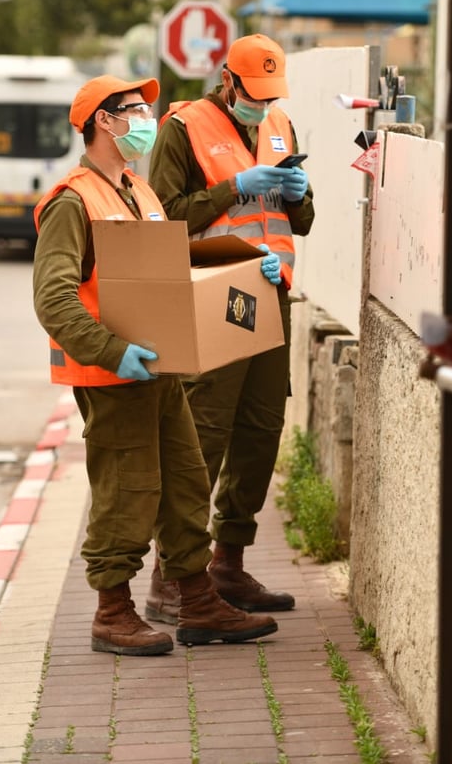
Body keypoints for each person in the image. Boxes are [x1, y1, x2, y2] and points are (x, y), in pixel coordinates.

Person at [32, 73, 281, 655]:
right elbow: (53, 297)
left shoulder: (136, 191)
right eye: (135, 111)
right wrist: (114, 350)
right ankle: (111, 612)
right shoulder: (72, 200)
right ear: (102, 120)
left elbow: (169, 259)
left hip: (159, 365)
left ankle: (194, 599)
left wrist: (247, 259)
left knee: (186, 480)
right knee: (129, 486)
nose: (146, 120)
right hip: (112, 372)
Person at [146, 34, 315, 623]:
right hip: (216, 292)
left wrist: (298, 193)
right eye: (254, 93)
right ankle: (173, 575)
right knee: (205, 435)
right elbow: (164, 215)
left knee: (260, 431)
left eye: (271, 94)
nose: (262, 104)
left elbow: (303, 220)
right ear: (228, 79)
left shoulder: (281, 125)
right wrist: (233, 188)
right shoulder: (182, 127)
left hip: (272, 290)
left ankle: (228, 563)